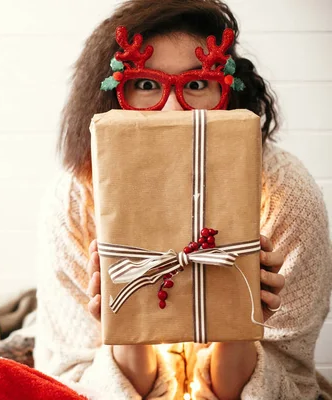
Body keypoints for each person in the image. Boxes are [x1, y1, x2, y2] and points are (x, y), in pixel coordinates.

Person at [33, 1, 332, 399]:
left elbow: (293, 380)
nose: (173, 109)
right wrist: (124, 328)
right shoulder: (77, 196)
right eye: (145, 84)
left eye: (194, 84)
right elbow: (68, 380)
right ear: (110, 95)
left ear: (225, 93)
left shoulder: (281, 192)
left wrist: (241, 326)